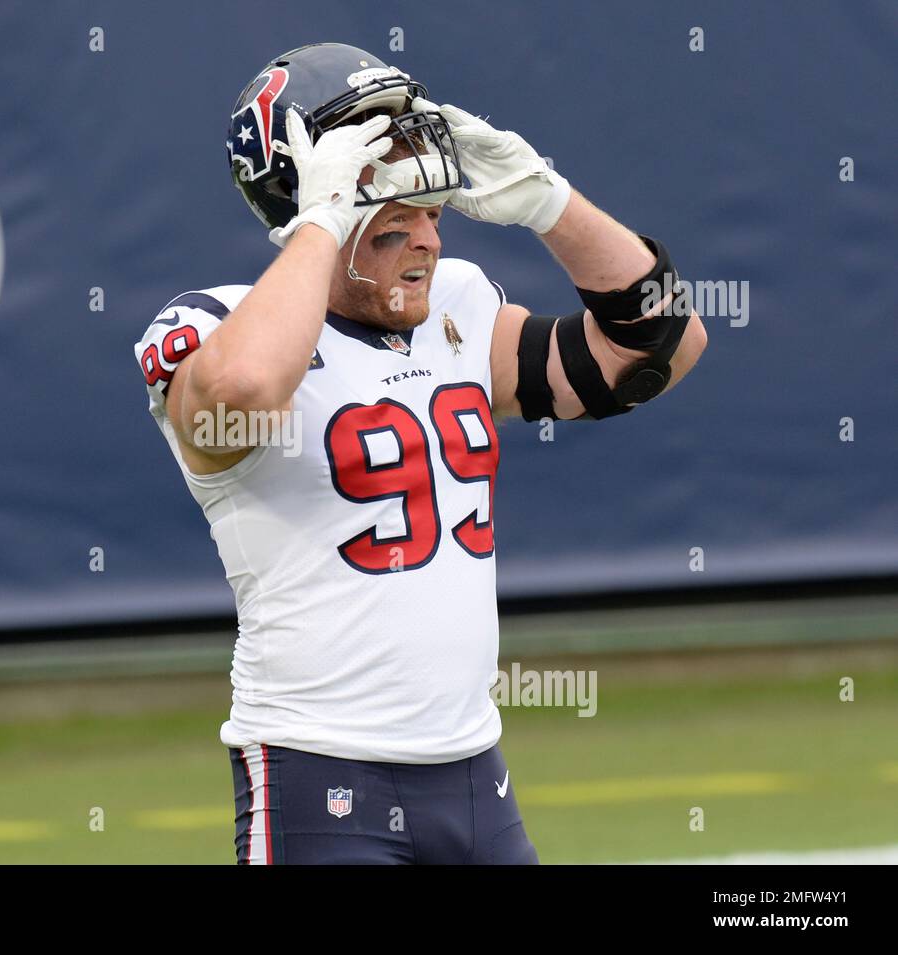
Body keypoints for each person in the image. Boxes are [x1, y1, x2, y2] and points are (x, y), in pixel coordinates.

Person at [133, 42, 707, 864]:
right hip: (316, 770)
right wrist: (322, 225)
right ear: (307, 204)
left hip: (476, 774)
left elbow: (660, 347)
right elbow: (248, 390)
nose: (428, 243)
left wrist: (551, 201)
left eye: (434, 213)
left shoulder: (459, 311)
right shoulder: (214, 325)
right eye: (395, 220)